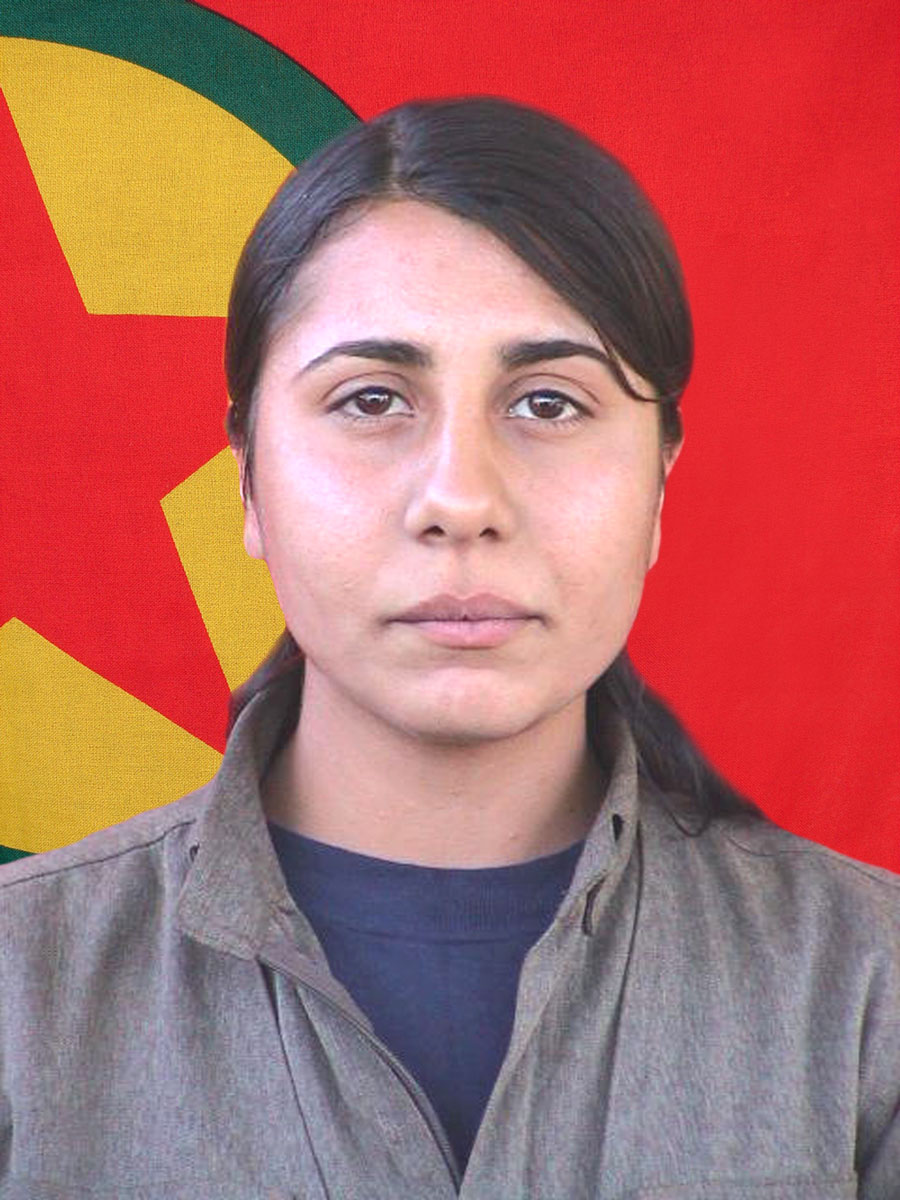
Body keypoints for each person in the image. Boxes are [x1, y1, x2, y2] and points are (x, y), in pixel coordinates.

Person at [1, 95, 897, 1199]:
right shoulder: (19, 989)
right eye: (372, 399)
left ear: (660, 485)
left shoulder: (870, 991)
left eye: (550, 405)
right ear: (247, 481)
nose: (461, 500)